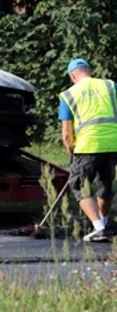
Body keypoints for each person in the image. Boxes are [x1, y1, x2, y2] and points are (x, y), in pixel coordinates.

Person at [59, 58, 117, 242]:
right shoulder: (110, 85)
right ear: (90, 71)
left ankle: (99, 227)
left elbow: (67, 134)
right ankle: (104, 224)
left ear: (72, 76)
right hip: (113, 144)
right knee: (106, 184)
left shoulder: (68, 95)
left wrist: (70, 149)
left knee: (78, 185)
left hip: (87, 146)